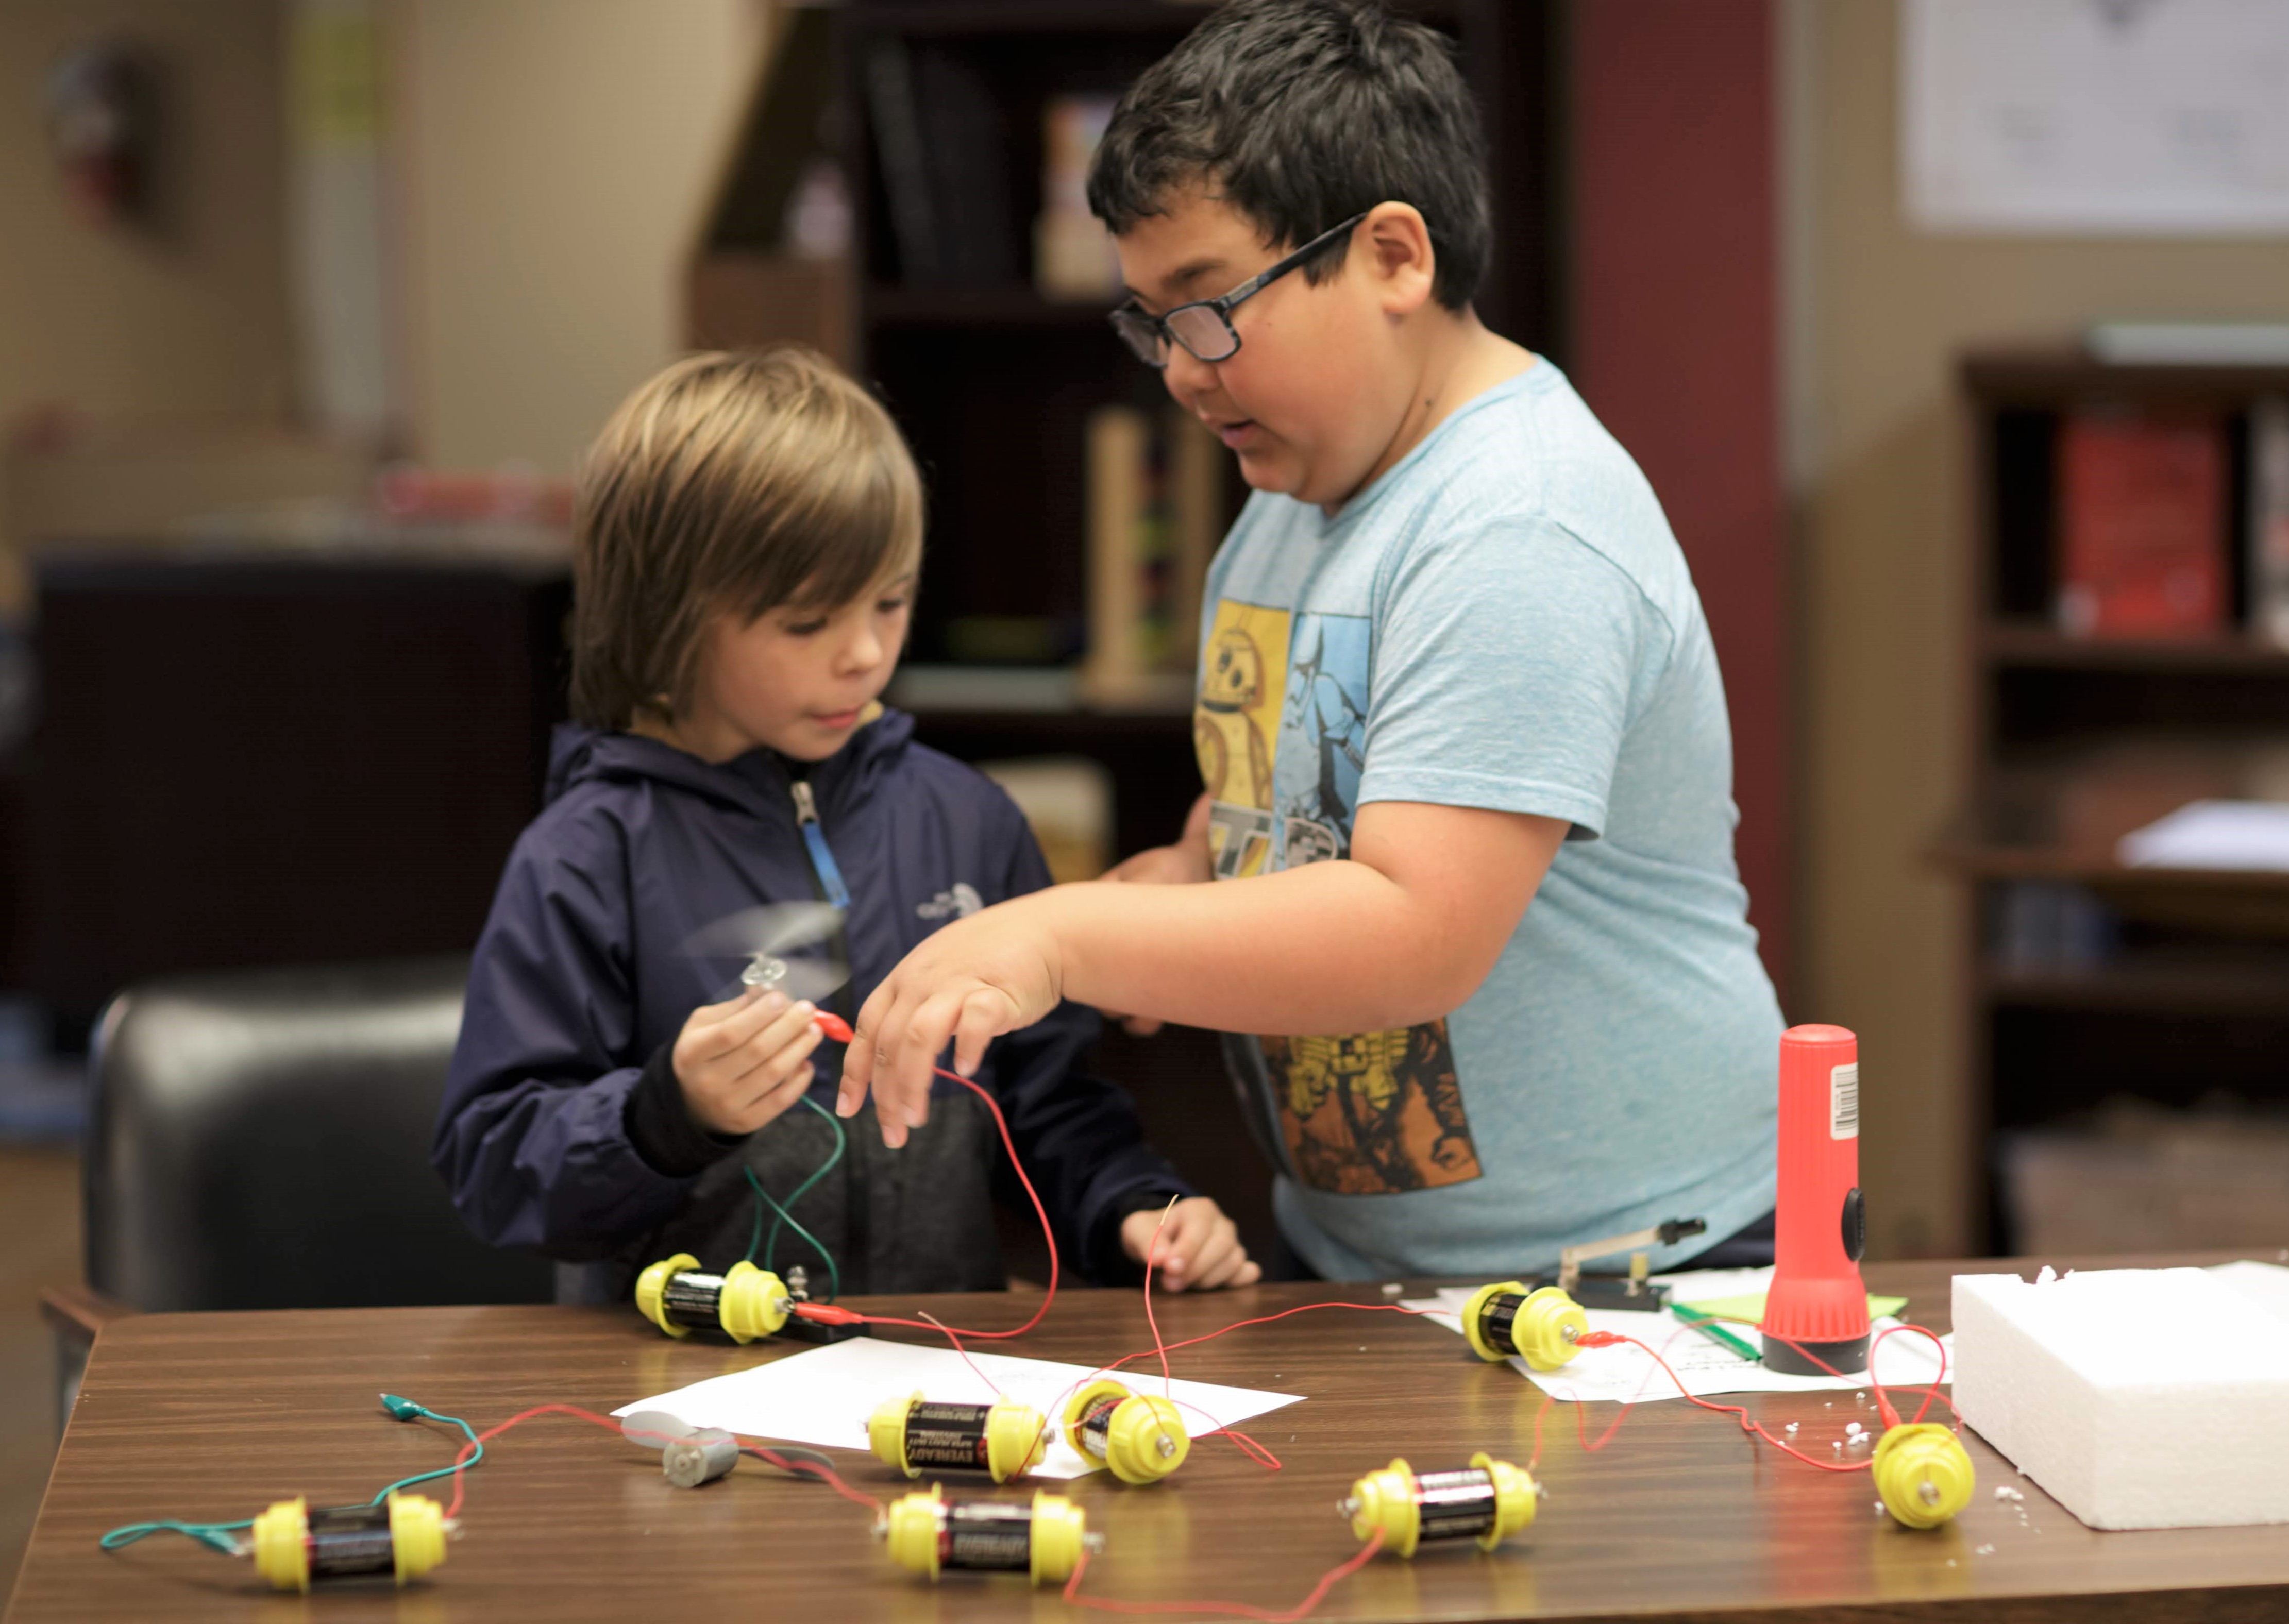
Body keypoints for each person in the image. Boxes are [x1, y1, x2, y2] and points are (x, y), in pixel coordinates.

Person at [833, 0, 1782, 1282]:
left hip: (1640, 1263)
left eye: (1209, 304)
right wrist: (1178, 879)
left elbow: (1414, 930)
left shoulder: (1519, 520)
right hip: (1372, 1248)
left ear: (1394, 256)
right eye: (1150, 322)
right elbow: (1281, 812)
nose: (1177, 368)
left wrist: (1058, 938)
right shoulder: (1301, 490)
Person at [433, 348, 1258, 1298]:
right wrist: (667, 1113)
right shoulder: (586, 854)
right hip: (676, 1392)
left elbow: (1051, 1104)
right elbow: (494, 1166)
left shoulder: (967, 820)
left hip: (931, 1381)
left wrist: (1135, 1210)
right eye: (804, 623)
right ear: (667, 613)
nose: (864, 653)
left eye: (892, 601)